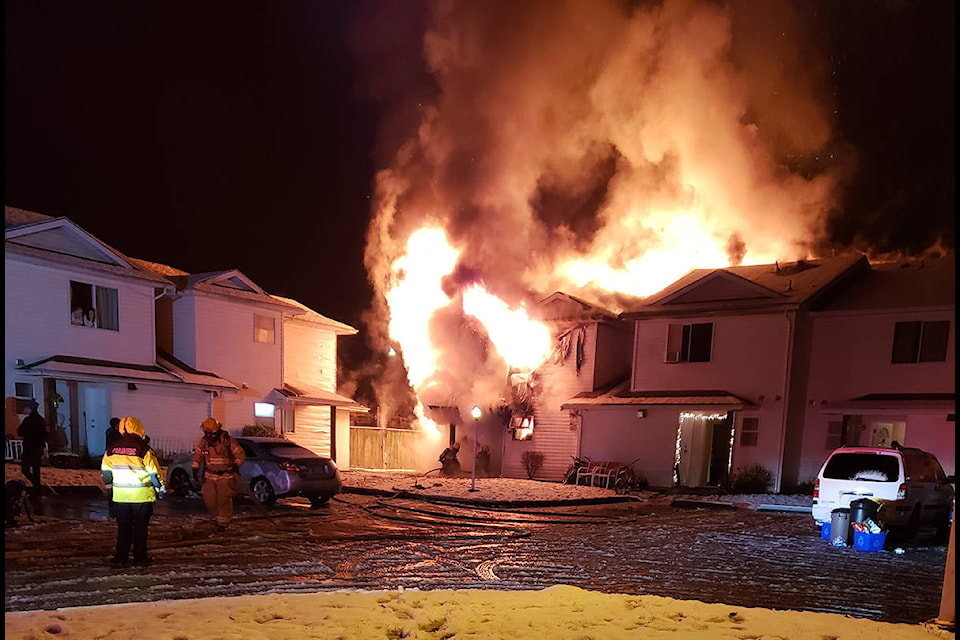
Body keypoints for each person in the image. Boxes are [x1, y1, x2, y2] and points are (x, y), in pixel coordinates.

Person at [100, 416, 165, 567]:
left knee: (123, 528)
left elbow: (106, 472)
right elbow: (154, 472)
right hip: (141, 496)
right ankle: (140, 558)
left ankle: (121, 557)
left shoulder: (112, 448)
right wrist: (160, 490)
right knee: (140, 529)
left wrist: (110, 490)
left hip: (121, 496)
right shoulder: (143, 448)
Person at [192, 418, 245, 530]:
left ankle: (223, 524)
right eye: (206, 433)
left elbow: (240, 454)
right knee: (209, 499)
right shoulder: (204, 442)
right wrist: (195, 468)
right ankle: (216, 518)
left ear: (216, 432)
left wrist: (236, 464)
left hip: (225, 477)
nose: (209, 436)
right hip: (210, 476)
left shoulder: (227, 441)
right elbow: (198, 454)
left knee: (223, 501)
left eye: (211, 433)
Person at [16, 400, 47, 494]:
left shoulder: (28, 420)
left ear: (30, 409)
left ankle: (37, 487)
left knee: (25, 469)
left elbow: (20, 432)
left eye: (26, 408)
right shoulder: (41, 420)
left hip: (29, 448)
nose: (25, 409)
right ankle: (37, 489)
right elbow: (44, 435)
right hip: (38, 448)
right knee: (36, 470)